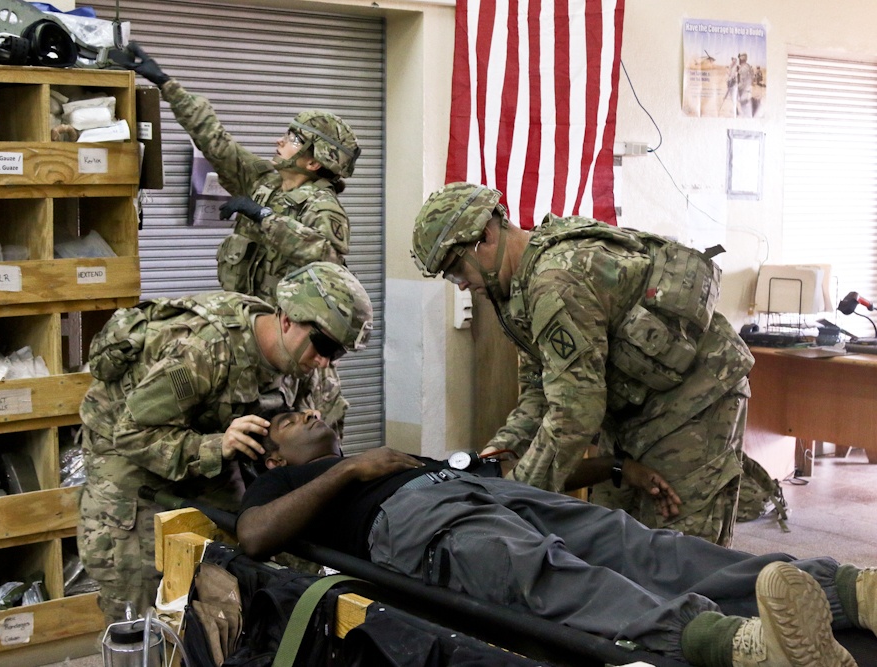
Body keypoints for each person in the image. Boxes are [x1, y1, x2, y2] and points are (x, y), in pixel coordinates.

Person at [237, 410, 876, 667]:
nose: (303, 412)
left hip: (482, 491)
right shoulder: (288, 484)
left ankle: (848, 589)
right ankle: (738, 646)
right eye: (285, 421)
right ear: (273, 459)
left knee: (640, 544)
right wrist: (352, 469)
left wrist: (615, 469)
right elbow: (255, 535)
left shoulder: (376, 451)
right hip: (418, 525)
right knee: (548, 572)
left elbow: (524, 466)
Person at [410, 183, 754, 546]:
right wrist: (500, 451)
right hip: (631, 406)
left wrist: (510, 496)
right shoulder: (519, 291)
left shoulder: (555, 282)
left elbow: (575, 411)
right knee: (614, 535)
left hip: (696, 399)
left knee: (684, 547)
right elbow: (539, 392)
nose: (461, 285)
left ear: (485, 236)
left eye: (456, 270)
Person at [77, 262, 372, 623]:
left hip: (217, 451)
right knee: (141, 601)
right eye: (324, 345)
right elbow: (133, 433)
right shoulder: (201, 349)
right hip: (131, 459)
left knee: (246, 562)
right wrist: (215, 447)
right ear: (287, 321)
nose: (326, 361)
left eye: (337, 352)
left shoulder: (308, 363)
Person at [110, 41, 361, 304]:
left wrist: (264, 217)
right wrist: (165, 83)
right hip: (246, 320)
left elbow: (329, 263)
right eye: (288, 133)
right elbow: (213, 138)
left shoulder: (323, 208)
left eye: (295, 139)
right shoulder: (262, 180)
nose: (280, 141)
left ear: (314, 163)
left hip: (287, 330)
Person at [736, 53, 755, 117]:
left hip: (744, 90)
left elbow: (742, 82)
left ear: (742, 59)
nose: (739, 60)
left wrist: (737, 87)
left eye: (740, 59)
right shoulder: (748, 66)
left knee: (744, 106)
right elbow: (752, 77)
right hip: (748, 89)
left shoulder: (743, 68)